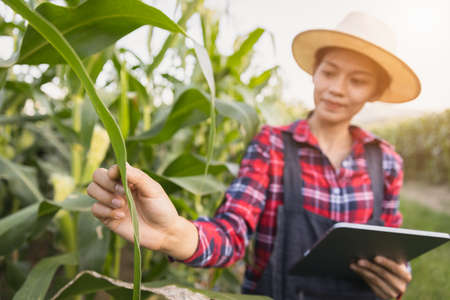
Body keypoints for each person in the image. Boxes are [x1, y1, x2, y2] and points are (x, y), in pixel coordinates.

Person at [87, 12, 421, 300]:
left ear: (374, 92)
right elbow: (231, 233)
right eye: (329, 72)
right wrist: (174, 233)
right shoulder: (272, 145)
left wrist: (397, 274)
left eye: (357, 81)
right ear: (314, 73)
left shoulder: (387, 161)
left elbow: (391, 242)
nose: (337, 88)